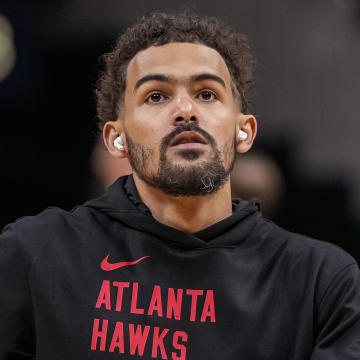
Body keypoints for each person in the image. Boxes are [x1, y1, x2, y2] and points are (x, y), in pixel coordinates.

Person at [0, 9, 359, 360]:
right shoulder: (34, 254)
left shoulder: (321, 283)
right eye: (156, 95)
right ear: (116, 139)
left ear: (244, 131)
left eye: (207, 94)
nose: (185, 110)